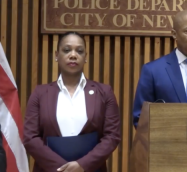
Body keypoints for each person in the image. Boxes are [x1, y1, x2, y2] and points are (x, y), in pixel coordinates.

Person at [23, 32, 121, 172]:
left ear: (85, 57)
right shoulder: (40, 93)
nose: (73, 55)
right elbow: (30, 137)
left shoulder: (104, 92)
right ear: (57, 55)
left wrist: (83, 165)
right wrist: (62, 168)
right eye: (67, 50)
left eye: (79, 51)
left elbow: (112, 136)